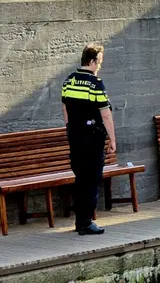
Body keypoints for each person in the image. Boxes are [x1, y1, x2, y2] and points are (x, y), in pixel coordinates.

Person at [62, 43, 115, 236]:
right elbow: (106, 114)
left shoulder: (68, 82)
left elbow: (65, 110)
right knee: (92, 180)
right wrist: (113, 139)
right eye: (99, 61)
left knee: (80, 178)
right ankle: (86, 222)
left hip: (76, 138)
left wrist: (70, 131)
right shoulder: (95, 84)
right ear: (92, 61)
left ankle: (80, 221)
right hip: (92, 139)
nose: (99, 65)